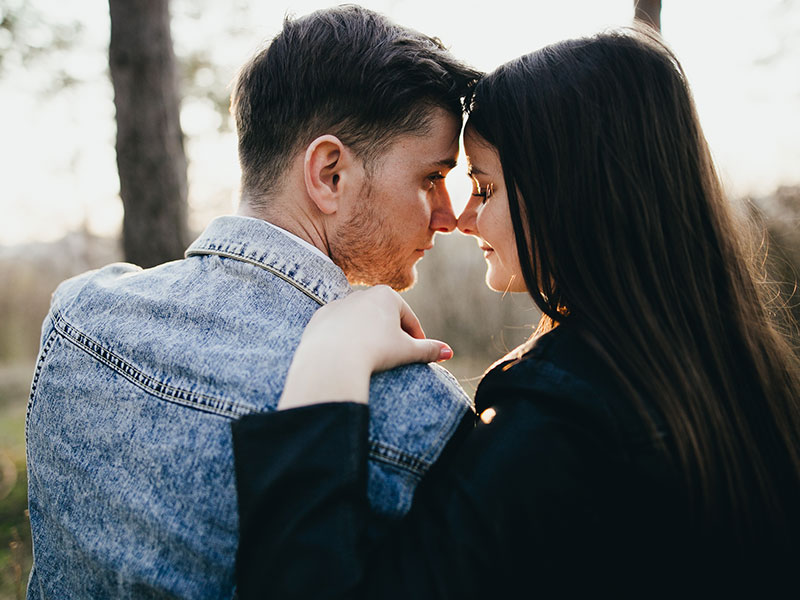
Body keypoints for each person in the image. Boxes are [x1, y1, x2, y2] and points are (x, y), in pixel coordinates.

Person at [232, 28, 800, 598]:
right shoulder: (749, 379)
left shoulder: (560, 423)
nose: (461, 218)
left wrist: (331, 358)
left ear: (569, 192)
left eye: (484, 187)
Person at [25, 6, 480, 598]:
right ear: (330, 174)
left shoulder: (77, 315)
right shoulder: (417, 412)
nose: (448, 215)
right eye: (431, 178)